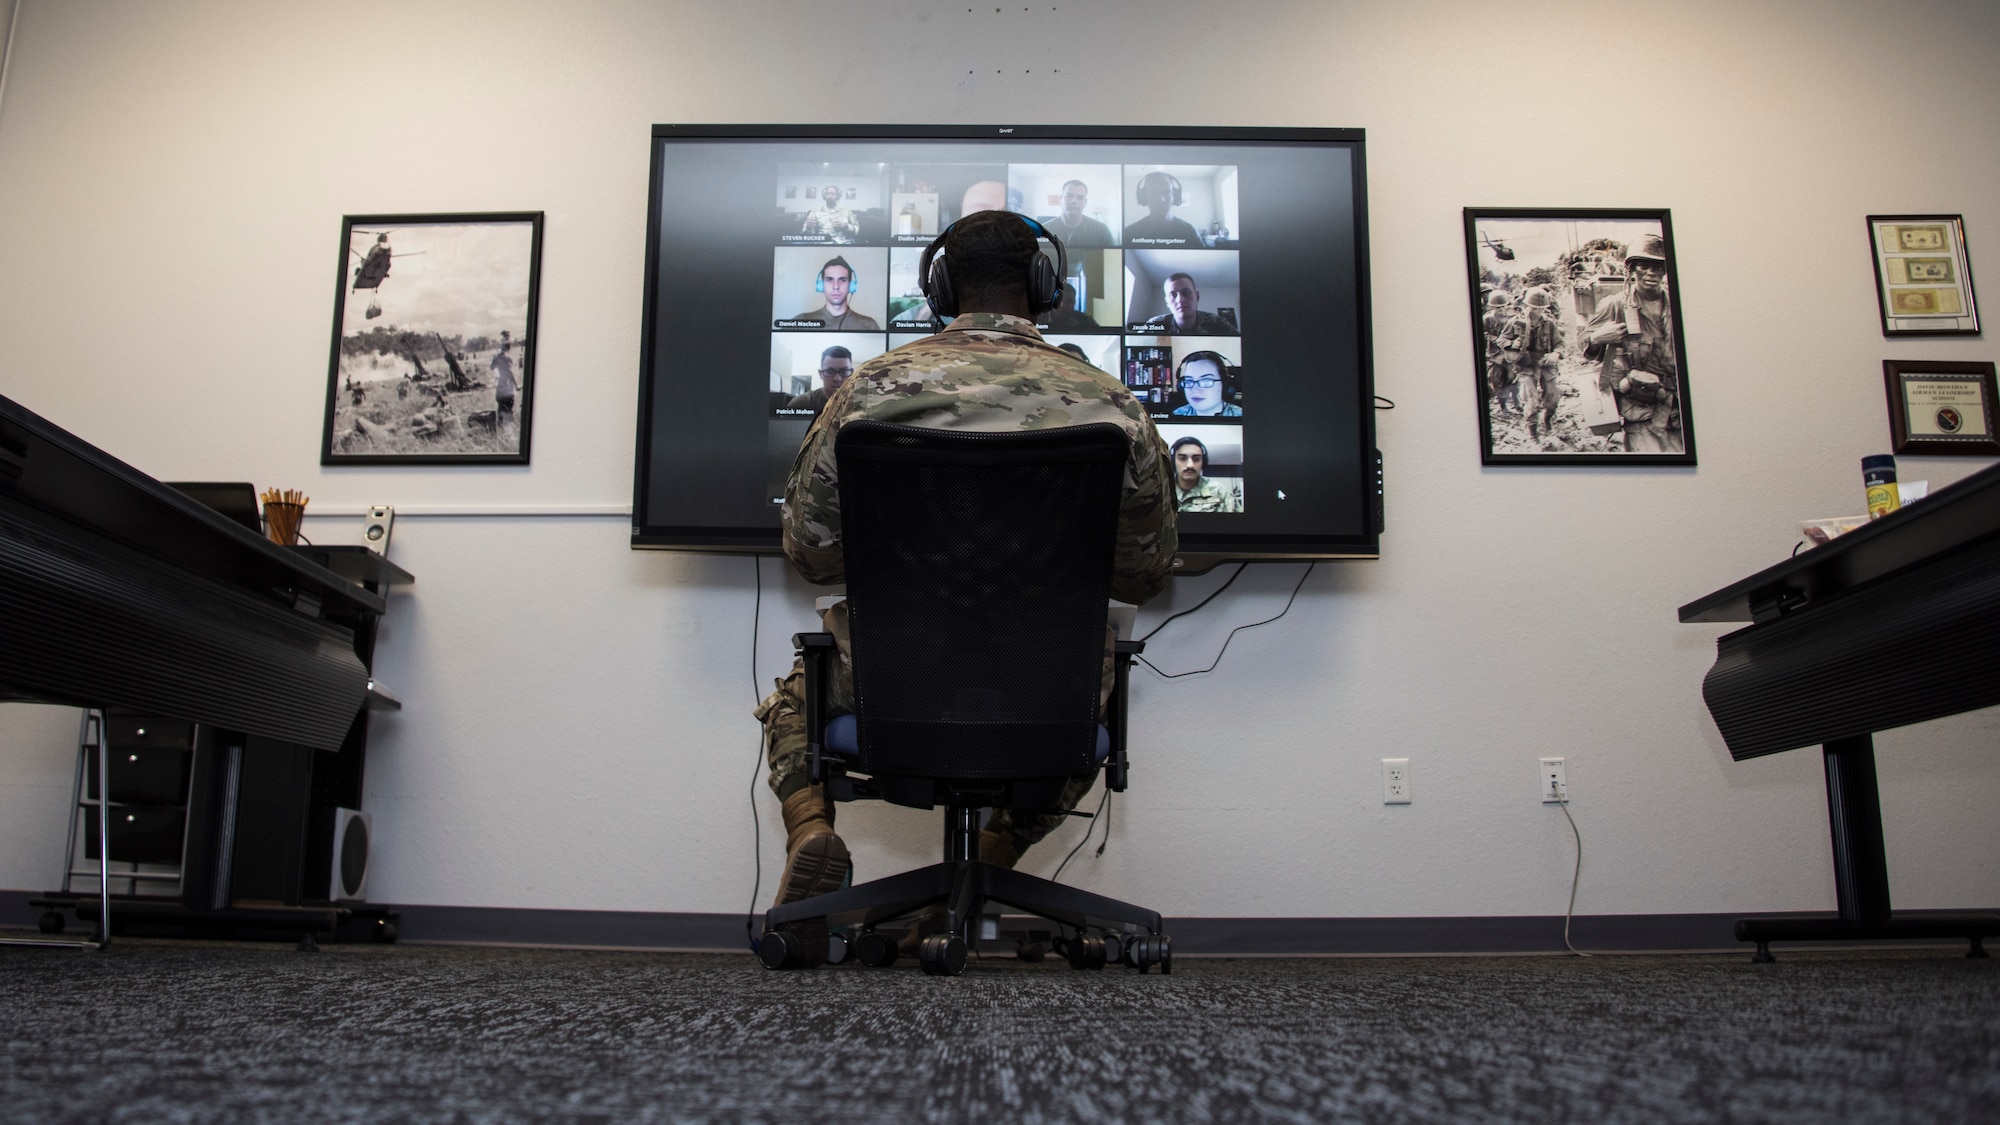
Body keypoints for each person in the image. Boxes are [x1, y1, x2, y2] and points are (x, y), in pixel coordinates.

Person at [755, 209, 1178, 929]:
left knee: (802, 689)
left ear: (941, 285)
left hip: (892, 683)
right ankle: (991, 860)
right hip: (1049, 690)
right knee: (1090, 682)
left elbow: (809, 552)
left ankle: (812, 829)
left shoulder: (866, 390)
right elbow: (1149, 568)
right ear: (1046, 286)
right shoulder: (1114, 402)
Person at [1582, 232, 1681, 453]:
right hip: (1642, 411)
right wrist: (1597, 338)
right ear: (1631, 269)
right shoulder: (1615, 305)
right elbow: (1583, 345)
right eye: (1643, 266)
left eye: (1658, 267)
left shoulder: (1679, 304)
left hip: (1680, 411)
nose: (1651, 273)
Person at [1513, 289, 1565, 442]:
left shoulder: (1549, 323)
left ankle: (1547, 420)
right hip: (1526, 367)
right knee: (1532, 400)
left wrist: (1556, 354)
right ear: (1527, 306)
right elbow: (1502, 340)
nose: (1537, 311)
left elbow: (1560, 343)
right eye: (1534, 308)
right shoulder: (1517, 322)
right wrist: (1512, 343)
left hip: (1546, 365)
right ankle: (1532, 431)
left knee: (1553, 397)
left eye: (1541, 308)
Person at [791, 257, 881, 331]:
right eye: (830, 280)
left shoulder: (869, 325)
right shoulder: (800, 321)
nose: (836, 286)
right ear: (821, 285)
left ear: (851, 286)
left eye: (842, 280)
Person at [1123, 171, 1202, 246]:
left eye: (1167, 192)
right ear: (1144, 197)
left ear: (1175, 196)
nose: (1161, 199)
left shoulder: (1190, 232)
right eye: (1153, 193)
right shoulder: (1130, 233)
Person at [1142, 272, 1233, 334]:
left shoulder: (1217, 323)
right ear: (1167, 302)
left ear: (1197, 296)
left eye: (1186, 293)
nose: (1180, 300)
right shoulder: (1154, 324)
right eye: (1173, 295)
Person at [1170, 436, 1242, 512]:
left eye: (1196, 459)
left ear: (1203, 462)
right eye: (1182, 458)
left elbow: (1237, 522)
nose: (1190, 465)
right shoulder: (1162, 490)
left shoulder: (1219, 492)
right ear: (1173, 462)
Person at [1045, 179, 1116, 248]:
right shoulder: (1045, 229)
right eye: (1069, 196)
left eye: (1080, 197)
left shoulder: (1101, 230)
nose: (1074, 201)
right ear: (1060, 199)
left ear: (1085, 202)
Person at [784, 345, 853, 414]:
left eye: (844, 372)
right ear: (820, 374)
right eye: (830, 372)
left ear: (852, 373)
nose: (837, 379)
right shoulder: (802, 403)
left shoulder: (861, 402)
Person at [1170, 351, 1240, 416]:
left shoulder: (1243, 416)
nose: (1195, 390)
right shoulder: (1176, 414)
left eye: (1206, 381)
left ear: (1225, 385)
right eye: (1189, 381)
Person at [490, 335, 518, 428]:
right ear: (508, 348)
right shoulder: (508, 358)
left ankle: (501, 426)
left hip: (501, 386)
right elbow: (510, 372)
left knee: (501, 407)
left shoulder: (496, 357)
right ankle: (509, 427)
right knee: (509, 408)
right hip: (508, 386)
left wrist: (495, 359)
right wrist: (516, 385)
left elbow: (492, 367)